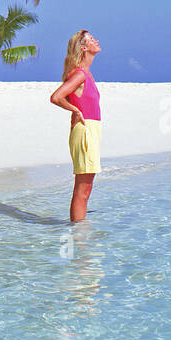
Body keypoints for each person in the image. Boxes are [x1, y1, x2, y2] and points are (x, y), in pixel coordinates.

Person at [49, 29, 103, 223]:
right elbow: (56, 97)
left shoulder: (86, 73)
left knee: (86, 188)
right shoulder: (80, 74)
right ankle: (78, 235)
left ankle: (79, 229)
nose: (96, 40)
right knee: (82, 188)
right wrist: (76, 110)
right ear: (83, 48)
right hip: (85, 130)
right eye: (91, 39)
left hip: (91, 130)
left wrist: (76, 110)